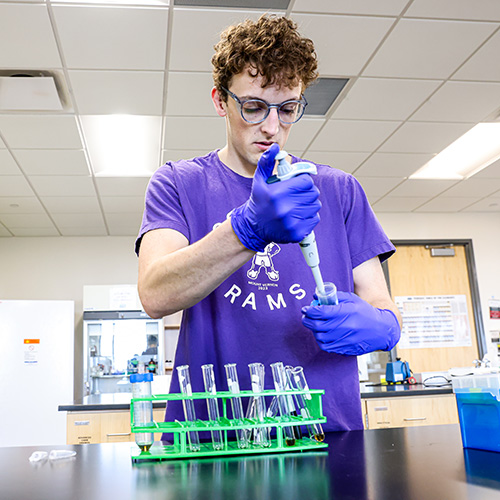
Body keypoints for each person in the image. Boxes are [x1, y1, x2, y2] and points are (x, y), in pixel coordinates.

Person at [135, 15, 402, 432]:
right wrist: (247, 228)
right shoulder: (179, 183)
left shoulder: (339, 190)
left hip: (324, 431)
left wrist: (383, 326)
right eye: (254, 106)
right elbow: (155, 293)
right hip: (216, 437)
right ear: (220, 101)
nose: (272, 127)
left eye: (288, 108)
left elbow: (380, 303)